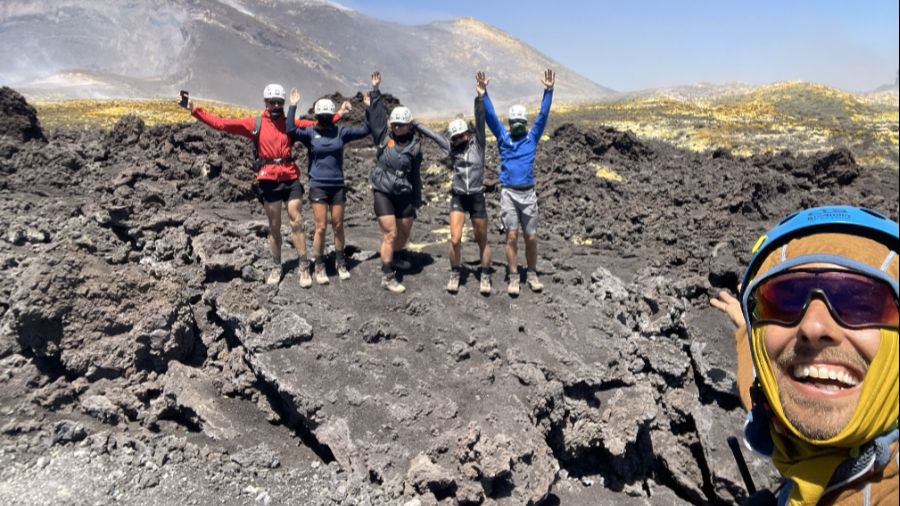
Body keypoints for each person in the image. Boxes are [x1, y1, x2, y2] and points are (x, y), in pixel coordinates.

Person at [711, 205, 898, 505]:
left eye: (861, 302)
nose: (812, 327)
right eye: (785, 300)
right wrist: (747, 326)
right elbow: (761, 374)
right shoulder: (775, 400)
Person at [187, 84, 344, 288]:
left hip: (290, 177)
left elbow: (319, 124)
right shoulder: (255, 123)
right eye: (273, 102)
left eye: (280, 102)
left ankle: (303, 265)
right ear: (265, 102)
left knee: (297, 220)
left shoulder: (290, 124)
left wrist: (338, 115)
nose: (277, 106)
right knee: (274, 225)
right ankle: (277, 266)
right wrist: (195, 110)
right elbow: (223, 124)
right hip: (268, 180)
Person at [414, 73, 492, 295]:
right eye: (454, 138)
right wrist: (415, 123)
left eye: (460, 136)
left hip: (476, 196)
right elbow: (434, 136)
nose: (457, 140)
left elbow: (480, 120)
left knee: (481, 239)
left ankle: (485, 275)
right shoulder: (451, 148)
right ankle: (455, 272)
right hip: (458, 196)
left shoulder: (479, 145)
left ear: (468, 134)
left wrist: (480, 97)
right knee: (455, 238)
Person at [480, 69, 554, 296]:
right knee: (511, 236)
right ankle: (513, 277)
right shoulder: (503, 138)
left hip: (528, 194)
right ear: (510, 123)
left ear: (525, 122)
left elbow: (543, 115)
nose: (518, 126)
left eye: (521, 122)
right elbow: (491, 118)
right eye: (514, 122)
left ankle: (531, 273)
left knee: (531, 236)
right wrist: (484, 94)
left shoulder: (531, 138)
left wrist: (549, 91)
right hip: (509, 194)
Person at [285, 87, 370, 284]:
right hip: (318, 186)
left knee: (338, 225)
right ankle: (319, 264)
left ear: (332, 116)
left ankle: (340, 262)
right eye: (321, 116)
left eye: (327, 116)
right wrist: (293, 106)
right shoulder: (310, 133)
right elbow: (290, 129)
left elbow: (365, 130)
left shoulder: (341, 132)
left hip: (337, 185)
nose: (324, 119)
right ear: (317, 116)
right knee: (321, 227)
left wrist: (368, 109)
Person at [366, 71, 424, 294]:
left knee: (404, 233)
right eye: (395, 124)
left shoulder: (415, 147)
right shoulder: (384, 137)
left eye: (402, 125)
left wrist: (417, 199)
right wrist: (375, 91)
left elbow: (415, 175)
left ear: (409, 125)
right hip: (383, 190)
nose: (398, 127)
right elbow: (377, 117)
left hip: (404, 191)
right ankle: (387, 275)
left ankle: (396, 256)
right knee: (390, 233)